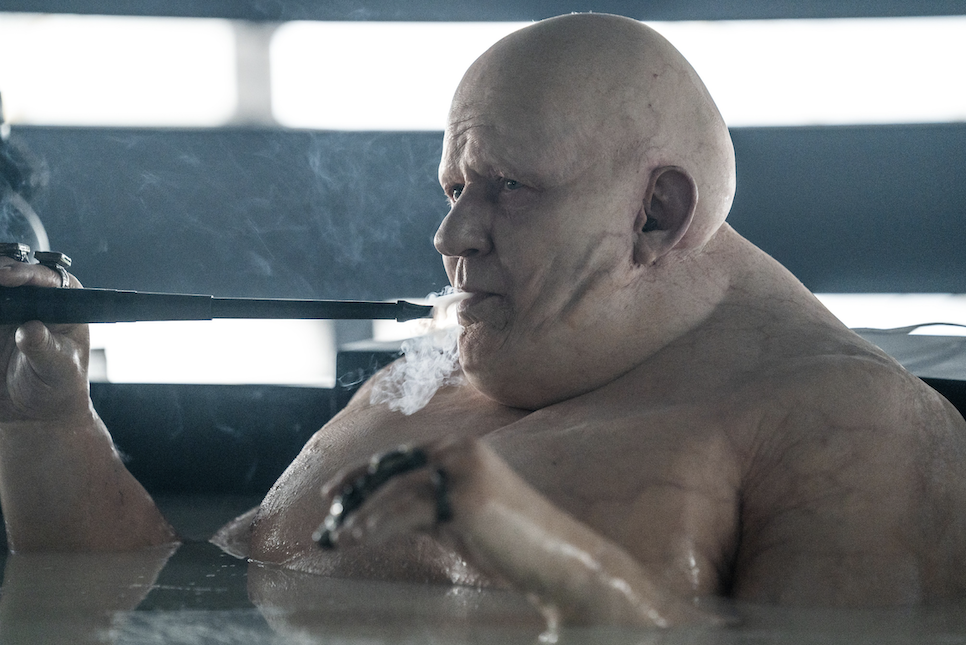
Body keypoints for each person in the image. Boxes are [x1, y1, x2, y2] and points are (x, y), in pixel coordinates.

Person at [2, 13, 966, 629]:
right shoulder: (423, 380)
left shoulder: (851, 423)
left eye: (508, 187)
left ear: (656, 213)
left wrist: (543, 553)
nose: (450, 234)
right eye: (455, 186)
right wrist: (48, 426)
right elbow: (157, 601)